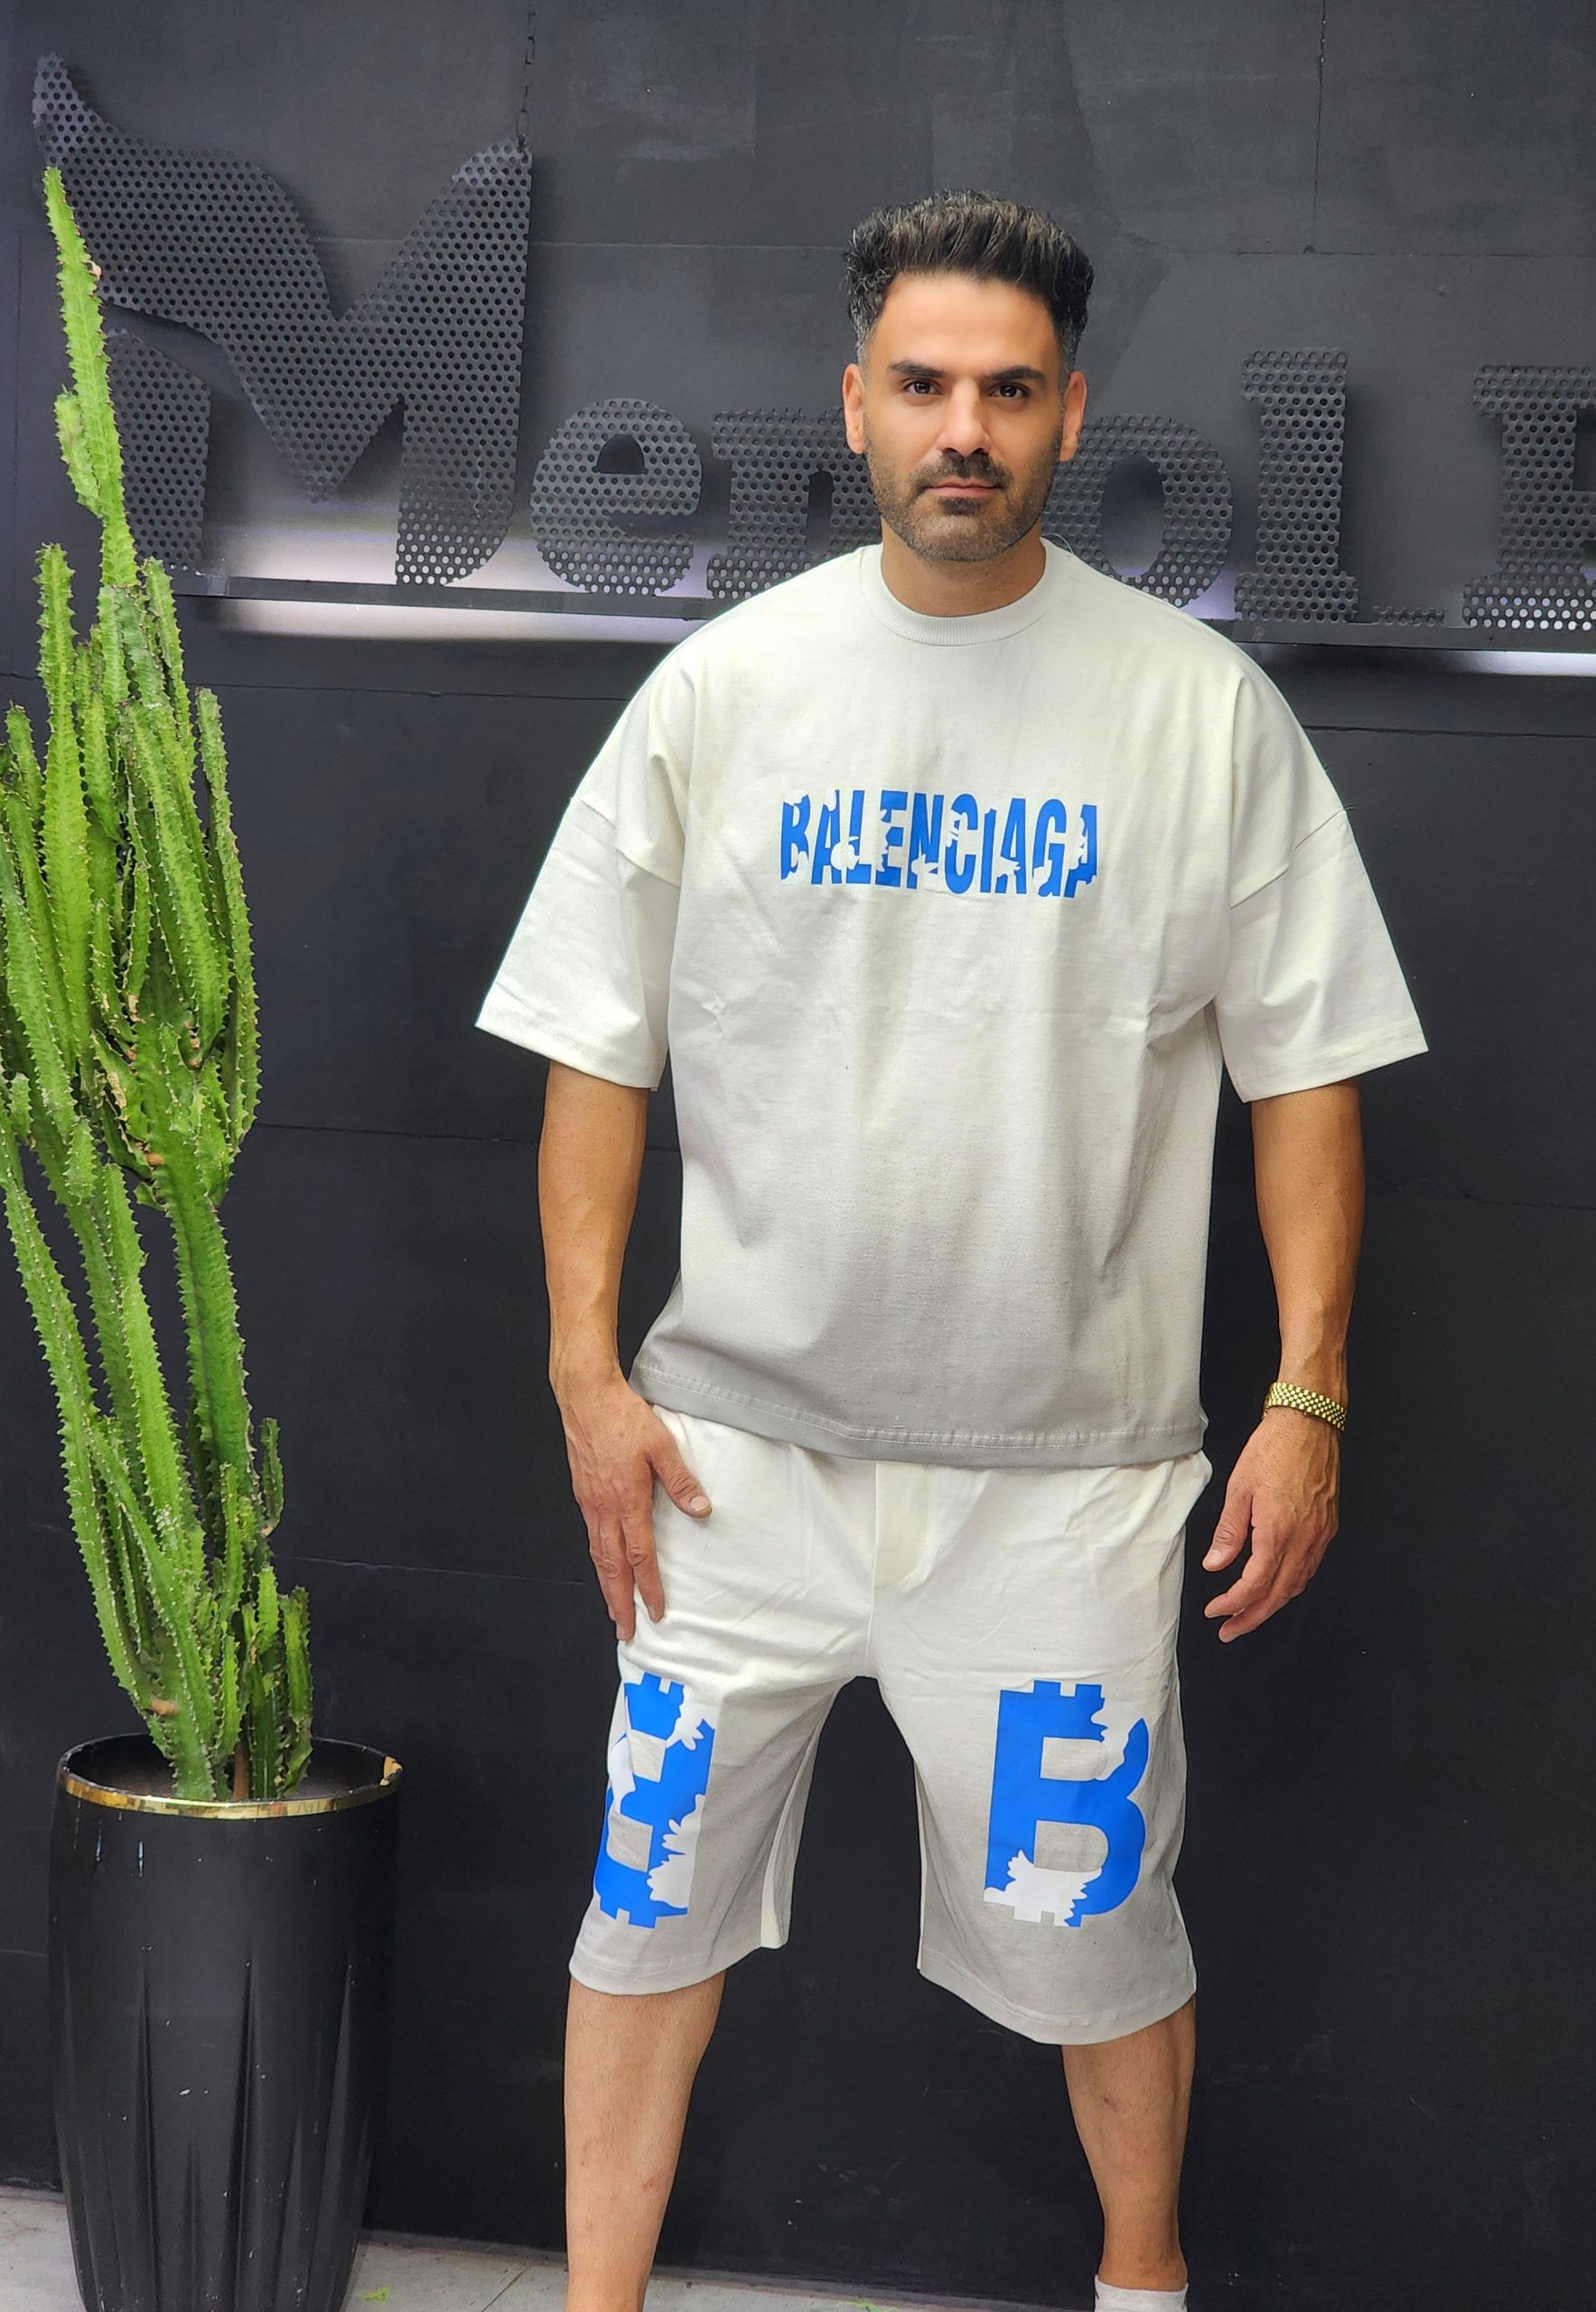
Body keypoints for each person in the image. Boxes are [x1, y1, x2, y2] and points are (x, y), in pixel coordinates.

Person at [475, 189, 1429, 2312]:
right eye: (923, 384)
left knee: (1101, 1945)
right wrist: (585, 1371)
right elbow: (595, 1043)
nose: (963, 428)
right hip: (733, 1473)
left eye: (1008, 388)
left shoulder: (1196, 712)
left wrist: (1308, 1389)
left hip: (1064, 1487)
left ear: (1072, 412)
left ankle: (1142, 2282)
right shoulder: (725, 693)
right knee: (644, 1918)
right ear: (856, 403)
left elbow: (1307, 1077)